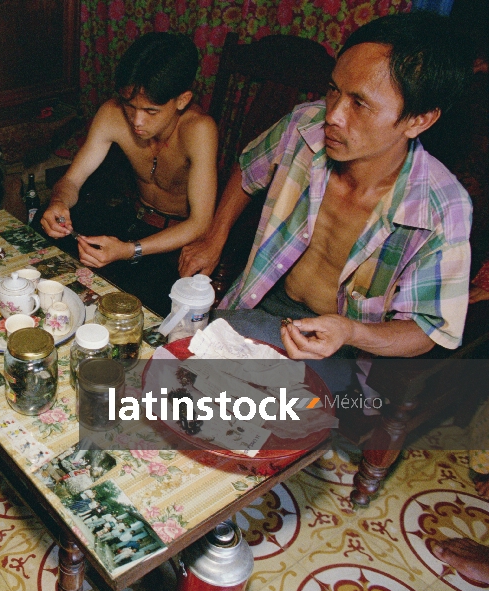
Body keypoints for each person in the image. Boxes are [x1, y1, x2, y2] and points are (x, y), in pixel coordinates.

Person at [179, 12, 473, 362]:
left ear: (418, 120)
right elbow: (248, 170)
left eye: (359, 103)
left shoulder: (442, 208)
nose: (333, 114)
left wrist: (350, 331)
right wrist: (216, 235)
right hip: (258, 305)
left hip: (343, 350)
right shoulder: (304, 125)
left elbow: (426, 329)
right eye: (335, 89)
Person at [40, 32, 218, 314]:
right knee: (49, 254)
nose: (137, 121)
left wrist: (128, 250)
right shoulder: (112, 113)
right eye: (130, 106)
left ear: (182, 100)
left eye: (151, 111)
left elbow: (199, 223)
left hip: (174, 241)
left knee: (126, 306)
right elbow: (73, 179)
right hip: (133, 220)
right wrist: (58, 202)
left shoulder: (199, 130)